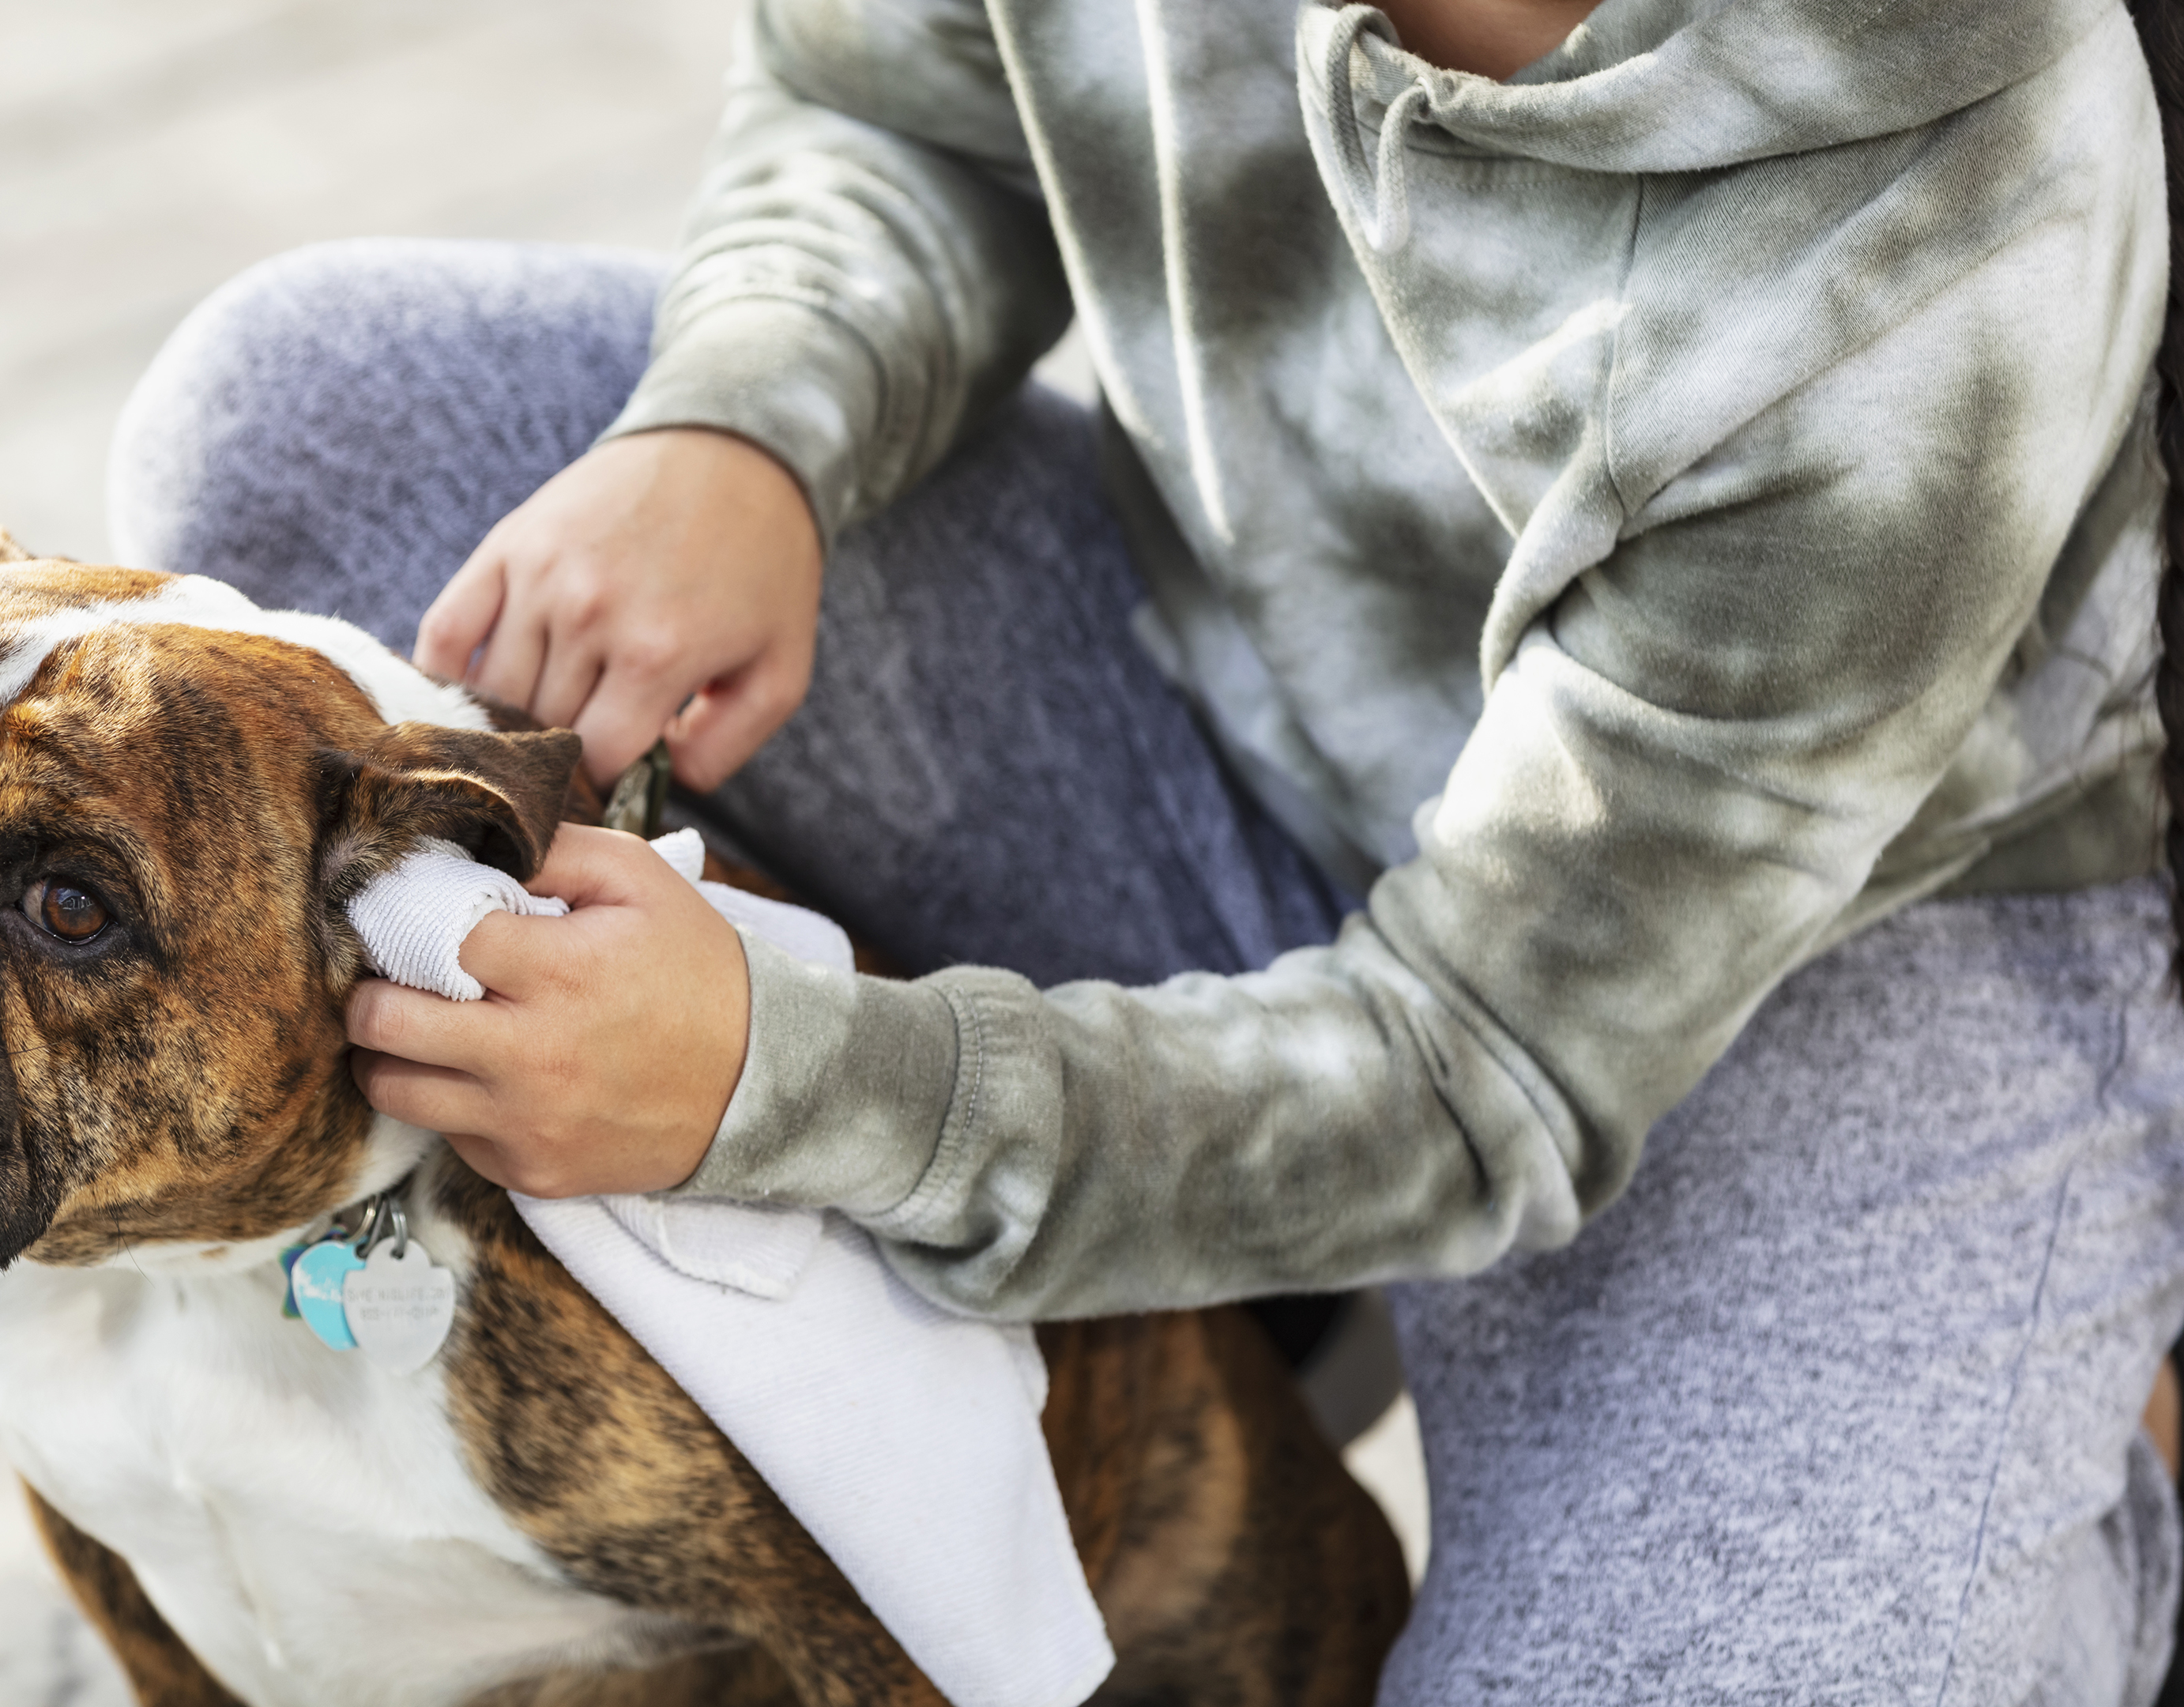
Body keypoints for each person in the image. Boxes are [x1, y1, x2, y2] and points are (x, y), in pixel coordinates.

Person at [107, 0, 2184, 1695]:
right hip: (1241, 688)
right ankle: (1186, 1298)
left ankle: (2062, 1464)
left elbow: (1481, 1075)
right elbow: (902, 99)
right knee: (309, 435)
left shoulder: (1957, 189)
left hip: (1817, 971)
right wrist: (749, 421)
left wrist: (790, 1088)